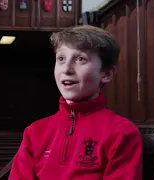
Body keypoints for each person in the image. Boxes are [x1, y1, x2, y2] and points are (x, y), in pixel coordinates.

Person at [9, 25, 143, 180]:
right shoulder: (35, 132)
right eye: (61, 59)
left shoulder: (122, 133)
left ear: (106, 74)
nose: (66, 69)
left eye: (80, 59)